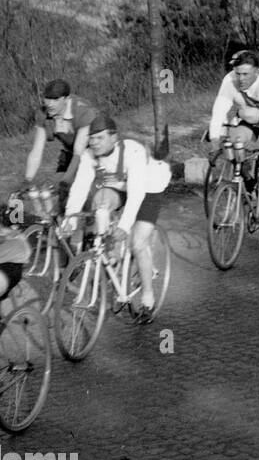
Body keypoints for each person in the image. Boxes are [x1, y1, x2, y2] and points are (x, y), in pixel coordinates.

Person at [62, 114, 164, 323]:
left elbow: (136, 194)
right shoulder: (89, 155)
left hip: (149, 188)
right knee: (99, 205)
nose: (94, 143)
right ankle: (109, 255)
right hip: (119, 187)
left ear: (114, 137)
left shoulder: (132, 152)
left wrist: (125, 227)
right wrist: (69, 221)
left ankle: (147, 299)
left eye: (100, 138)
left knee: (138, 243)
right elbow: (79, 189)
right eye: (91, 138)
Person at [208, 50, 259, 247]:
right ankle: (248, 180)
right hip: (248, 121)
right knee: (233, 143)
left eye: (246, 74)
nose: (241, 78)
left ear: (256, 72)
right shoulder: (229, 81)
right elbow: (219, 110)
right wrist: (214, 141)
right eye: (238, 73)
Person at [23, 79, 95, 202]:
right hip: (69, 152)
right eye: (47, 98)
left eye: (55, 99)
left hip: (91, 153)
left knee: (80, 190)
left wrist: (65, 181)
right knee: (56, 193)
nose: (49, 104)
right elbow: (37, 150)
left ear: (66, 99)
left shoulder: (83, 112)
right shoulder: (43, 114)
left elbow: (79, 152)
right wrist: (27, 180)